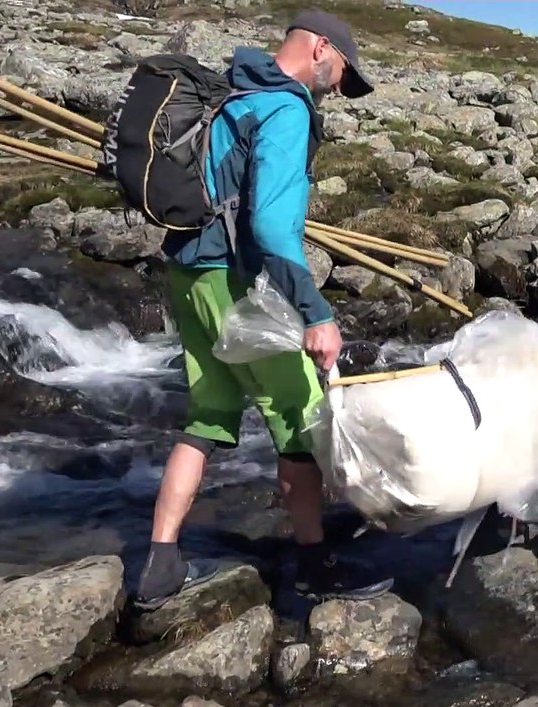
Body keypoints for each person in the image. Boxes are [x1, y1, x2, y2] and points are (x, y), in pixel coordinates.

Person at [133, 11, 391, 610]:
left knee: (205, 418)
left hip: (190, 273)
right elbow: (272, 228)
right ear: (322, 48)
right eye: (341, 75)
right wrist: (316, 312)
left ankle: (160, 565)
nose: (336, 90)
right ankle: (313, 564)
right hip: (239, 285)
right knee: (298, 419)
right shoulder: (287, 107)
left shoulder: (232, 90)